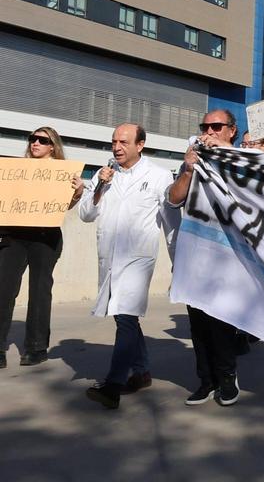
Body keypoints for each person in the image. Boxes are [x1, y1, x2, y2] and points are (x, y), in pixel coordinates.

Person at [78, 123, 173, 408]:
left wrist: (179, 253)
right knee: (124, 317)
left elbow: (170, 218)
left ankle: (114, 383)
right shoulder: (103, 175)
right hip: (109, 255)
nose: (117, 147)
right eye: (114, 142)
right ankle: (141, 371)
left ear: (140, 145)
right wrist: (99, 188)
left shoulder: (158, 175)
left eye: (123, 142)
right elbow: (85, 214)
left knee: (126, 316)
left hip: (138, 257)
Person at [167, 109, 246, 407]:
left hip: (229, 255)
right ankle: (205, 381)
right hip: (195, 254)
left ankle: (227, 379)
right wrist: (188, 169)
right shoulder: (193, 160)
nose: (209, 131)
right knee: (198, 324)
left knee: (221, 321)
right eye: (205, 126)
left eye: (216, 126)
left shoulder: (241, 159)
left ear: (231, 131)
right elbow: (173, 199)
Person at [0, 127, 83, 369]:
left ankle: (36, 347)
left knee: (39, 290)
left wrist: (77, 193)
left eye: (42, 140)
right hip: (13, 235)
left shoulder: (63, 173)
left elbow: (64, 206)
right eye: (32, 139)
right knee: (4, 289)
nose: (35, 143)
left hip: (45, 237)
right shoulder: (16, 170)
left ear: (52, 146)